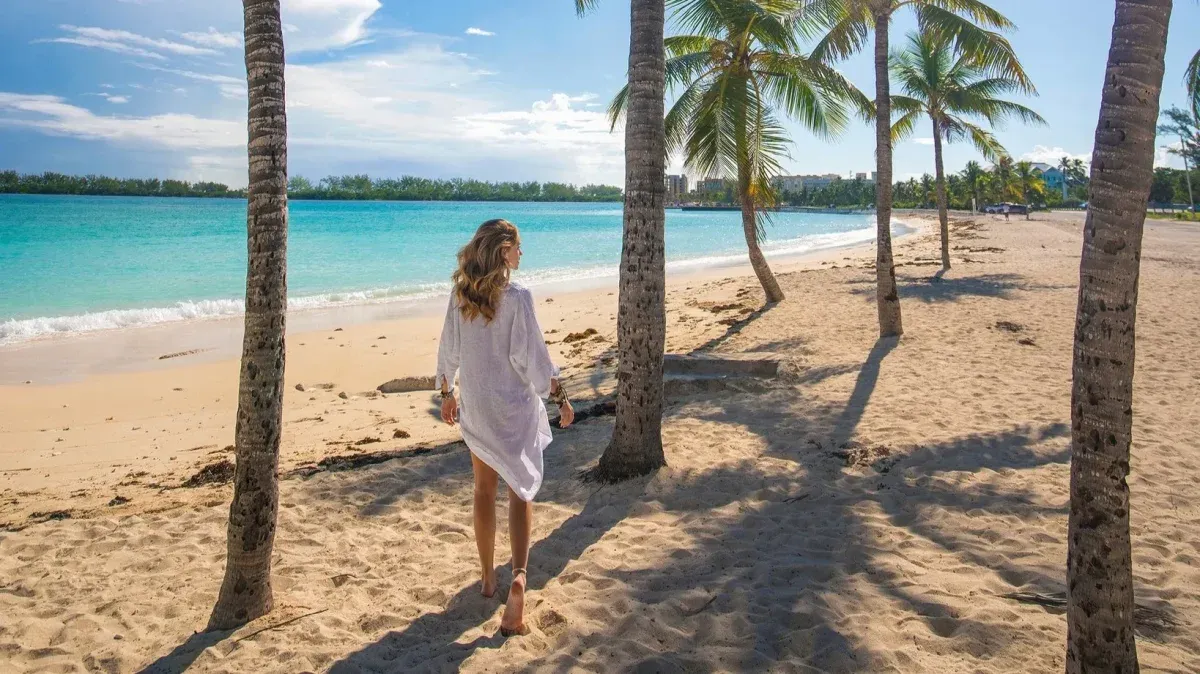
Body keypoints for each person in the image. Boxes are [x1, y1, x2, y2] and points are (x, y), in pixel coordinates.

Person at [435, 218, 574, 637]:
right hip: (513, 407)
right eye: (517, 247)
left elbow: (448, 349)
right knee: (521, 490)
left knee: (483, 489)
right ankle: (517, 574)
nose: (521, 254)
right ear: (502, 252)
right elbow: (533, 359)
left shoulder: (462, 295)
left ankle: (486, 578)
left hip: (477, 406)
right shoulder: (519, 298)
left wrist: (447, 393)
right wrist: (561, 398)